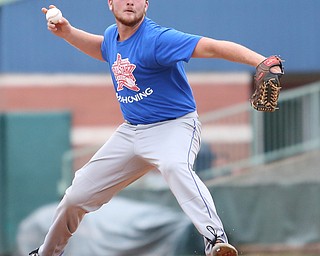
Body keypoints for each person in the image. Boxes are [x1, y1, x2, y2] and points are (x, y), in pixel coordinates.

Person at [30, 1, 281, 255]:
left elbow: (213, 47)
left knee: (175, 166)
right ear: (110, 3)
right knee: (75, 196)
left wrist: (261, 62)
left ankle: (215, 240)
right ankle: (47, 252)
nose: (130, 1)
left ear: (146, 4)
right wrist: (68, 33)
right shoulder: (111, 36)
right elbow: (102, 48)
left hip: (174, 126)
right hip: (131, 131)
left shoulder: (157, 39)